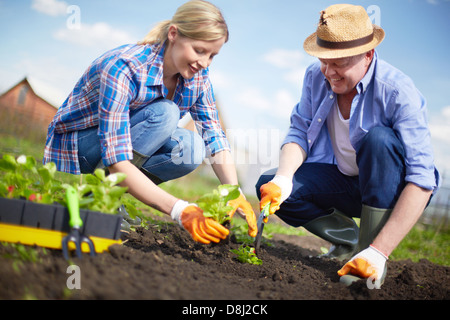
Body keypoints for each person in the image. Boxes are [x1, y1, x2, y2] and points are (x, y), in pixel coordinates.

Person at [44, 0, 257, 244]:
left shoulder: (198, 78)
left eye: (212, 55)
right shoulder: (124, 67)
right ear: (174, 34)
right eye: (199, 51)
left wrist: (234, 191)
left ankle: (101, 199)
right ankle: (97, 199)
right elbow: (116, 157)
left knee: (190, 149)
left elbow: (214, 135)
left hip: (120, 151)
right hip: (80, 145)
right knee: (165, 114)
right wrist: (179, 210)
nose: (205, 63)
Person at [256, 4, 439, 287]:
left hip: (389, 192)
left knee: (380, 140)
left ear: (368, 54)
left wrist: (379, 252)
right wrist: (283, 179)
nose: (329, 72)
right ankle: (349, 242)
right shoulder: (315, 77)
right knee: (271, 183)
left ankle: (370, 255)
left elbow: (423, 180)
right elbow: (299, 131)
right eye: (323, 61)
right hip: (344, 181)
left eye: (339, 63)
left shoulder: (398, 91)